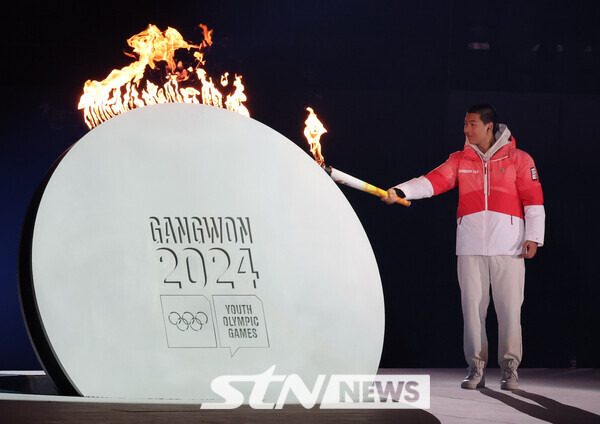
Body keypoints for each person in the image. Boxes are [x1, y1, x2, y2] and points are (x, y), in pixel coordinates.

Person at [383, 104, 545, 390]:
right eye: (465, 124)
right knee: (471, 310)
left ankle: (510, 370)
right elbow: (432, 181)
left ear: (488, 127)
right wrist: (401, 191)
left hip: (509, 247)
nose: (466, 129)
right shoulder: (459, 160)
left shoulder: (520, 159)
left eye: (471, 124)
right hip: (469, 246)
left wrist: (533, 236)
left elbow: (534, 201)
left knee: (509, 311)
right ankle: (475, 369)